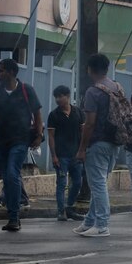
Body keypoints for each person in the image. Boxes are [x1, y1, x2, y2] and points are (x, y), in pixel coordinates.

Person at [0, 58, 43, 232]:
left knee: (13, 174)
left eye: (1, 70)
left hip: (20, 141)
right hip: (1, 143)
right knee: (7, 178)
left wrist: (39, 134)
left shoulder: (26, 90)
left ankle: (14, 217)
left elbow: (37, 113)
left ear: (11, 72)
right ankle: (13, 216)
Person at [73, 53, 123, 238]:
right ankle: (90, 221)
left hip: (98, 142)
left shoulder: (93, 92)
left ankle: (101, 225)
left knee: (98, 184)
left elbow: (90, 123)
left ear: (90, 69)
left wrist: (81, 148)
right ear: (107, 68)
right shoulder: (117, 87)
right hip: (115, 142)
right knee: (98, 182)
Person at [47, 85, 85, 221]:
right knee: (62, 183)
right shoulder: (54, 115)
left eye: (60, 96)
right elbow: (51, 136)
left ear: (68, 96)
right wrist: (54, 155)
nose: (58, 99)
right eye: (56, 97)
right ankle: (60, 211)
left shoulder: (78, 113)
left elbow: (83, 132)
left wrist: (82, 150)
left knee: (78, 182)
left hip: (76, 155)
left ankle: (70, 208)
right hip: (61, 156)